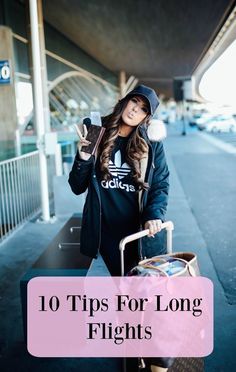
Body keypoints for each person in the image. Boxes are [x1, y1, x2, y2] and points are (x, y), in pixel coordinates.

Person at [68, 84, 172, 372]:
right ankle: (133, 352)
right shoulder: (96, 131)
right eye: (133, 102)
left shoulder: (152, 144)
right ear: (124, 101)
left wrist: (155, 214)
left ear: (146, 118)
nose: (134, 109)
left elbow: (161, 185)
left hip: (138, 235)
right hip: (104, 236)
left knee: (145, 298)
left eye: (142, 109)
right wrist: (83, 158)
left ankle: (148, 357)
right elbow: (77, 187)